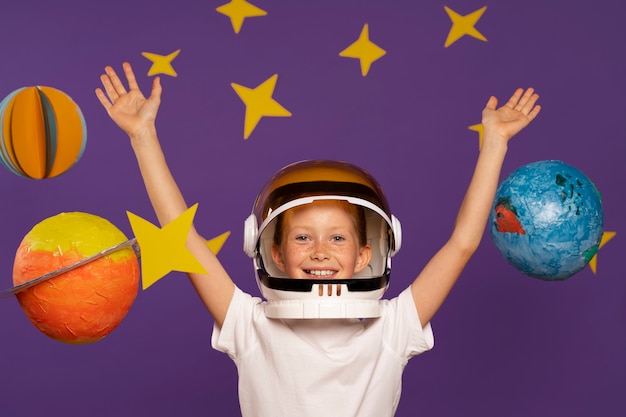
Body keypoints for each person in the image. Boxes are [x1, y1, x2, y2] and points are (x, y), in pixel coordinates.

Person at [95, 62, 541, 417]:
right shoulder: (250, 327)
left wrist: (495, 143)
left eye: (338, 238)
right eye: (303, 237)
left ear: (368, 252)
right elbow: (184, 239)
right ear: (272, 250)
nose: (321, 251)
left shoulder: (392, 328)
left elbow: (462, 243)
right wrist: (142, 136)